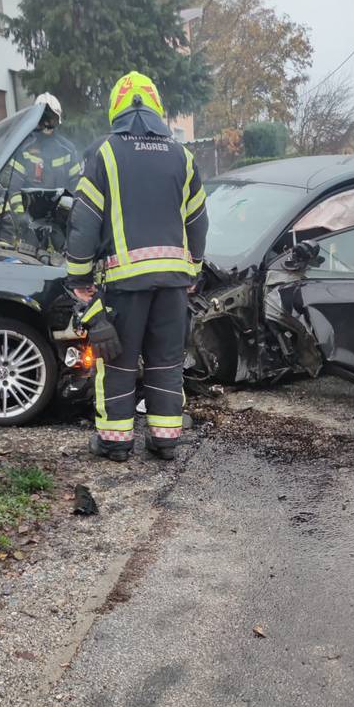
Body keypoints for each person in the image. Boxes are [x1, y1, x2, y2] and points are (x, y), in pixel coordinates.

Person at [64, 70, 208, 462]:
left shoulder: (105, 153)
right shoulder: (183, 155)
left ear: (117, 108)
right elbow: (197, 220)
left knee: (118, 362)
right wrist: (192, 267)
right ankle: (164, 439)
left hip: (126, 285)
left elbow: (83, 223)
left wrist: (78, 277)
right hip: (174, 285)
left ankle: (115, 442)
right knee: (166, 360)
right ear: (156, 108)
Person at [6, 93, 82, 215]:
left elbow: (77, 186)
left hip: (61, 218)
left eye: (52, 118)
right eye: (44, 118)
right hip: (30, 218)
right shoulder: (23, 149)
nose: (47, 123)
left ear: (58, 120)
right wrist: (20, 217)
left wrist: (65, 213)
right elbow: (13, 188)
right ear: (37, 119)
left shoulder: (67, 149)